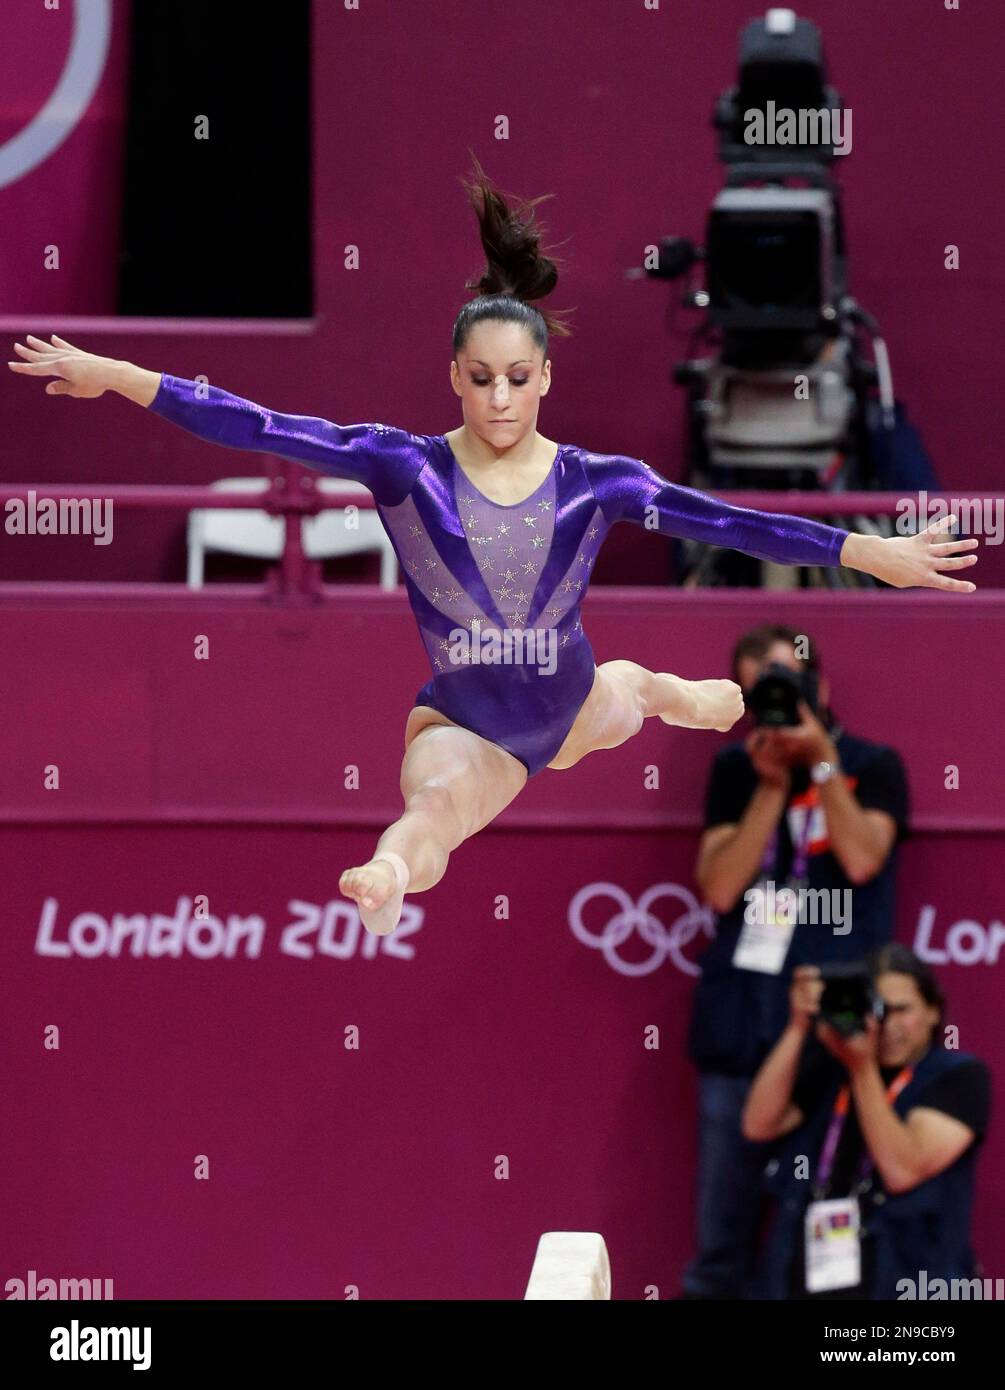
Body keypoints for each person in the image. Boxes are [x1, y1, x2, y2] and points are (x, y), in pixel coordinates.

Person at [6, 160, 978, 938]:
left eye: (519, 378)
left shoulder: (600, 481)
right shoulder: (403, 468)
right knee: (435, 807)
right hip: (473, 723)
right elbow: (255, 423)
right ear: (455, 378)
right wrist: (118, 371)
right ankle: (387, 875)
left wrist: (865, 553)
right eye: (482, 379)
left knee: (634, 697)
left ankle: (671, 691)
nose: (502, 400)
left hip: (574, 696)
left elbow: (730, 520)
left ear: (546, 376)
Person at [681, 624, 910, 1299]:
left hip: (838, 1026)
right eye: (762, 695)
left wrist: (820, 765)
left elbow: (864, 857)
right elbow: (720, 886)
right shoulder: (735, 769)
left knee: (822, 1220)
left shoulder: (874, 764)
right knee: (719, 1238)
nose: (776, 705)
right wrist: (772, 787)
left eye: (789, 686)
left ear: (821, 686)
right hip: (744, 1019)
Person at [743, 945, 991, 1300]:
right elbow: (758, 1124)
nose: (887, 1025)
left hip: (909, 1281)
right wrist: (798, 1027)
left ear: (933, 1011)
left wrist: (862, 1068)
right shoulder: (833, 1064)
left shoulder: (960, 1076)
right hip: (813, 1270)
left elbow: (901, 1169)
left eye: (902, 1010)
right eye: (878, 1009)